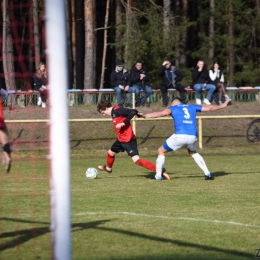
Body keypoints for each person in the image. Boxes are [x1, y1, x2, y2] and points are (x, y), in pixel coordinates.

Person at [141, 97, 231, 180]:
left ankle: (158, 175)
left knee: (161, 151)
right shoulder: (192, 107)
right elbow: (209, 108)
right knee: (193, 152)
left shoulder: (173, 108)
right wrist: (222, 106)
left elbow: (159, 114)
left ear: (174, 104)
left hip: (180, 135)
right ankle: (207, 173)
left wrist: (145, 116)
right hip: (193, 136)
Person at [96, 99, 170, 180]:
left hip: (128, 140)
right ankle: (108, 169)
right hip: (121, 140)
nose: (103, 115)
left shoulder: (118, 110)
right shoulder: (114, 113)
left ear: (106, 108)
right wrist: (138, 114)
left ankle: (160, 171)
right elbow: (132, 112)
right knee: (110, 153)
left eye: (103, 112)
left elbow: (132, 111)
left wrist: (123, 123)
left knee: (137, 161)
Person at [0, 96, 12, 173]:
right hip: (1, 119)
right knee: (5, 142)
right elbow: (5, 93)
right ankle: (6, 155)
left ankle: (6, 156)